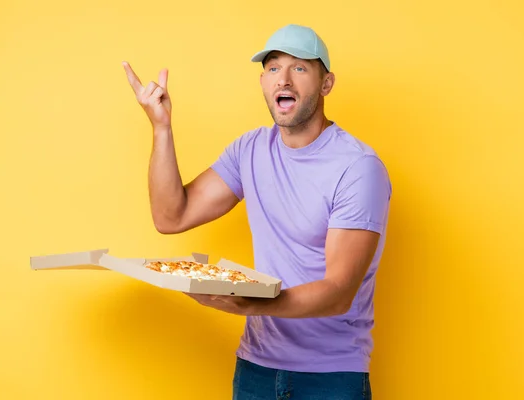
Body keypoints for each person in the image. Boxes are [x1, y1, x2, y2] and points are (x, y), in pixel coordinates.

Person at [122, 24, 391, 400]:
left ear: (326, 83)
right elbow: (171, 217)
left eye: (299, 68)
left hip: (330, 377)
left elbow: (338, 293)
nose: (283, 79)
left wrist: (249, 302)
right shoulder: (250, 150)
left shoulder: (358, 167)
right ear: (263, 81)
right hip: (255, 371)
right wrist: (161, 127)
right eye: (272, 67)